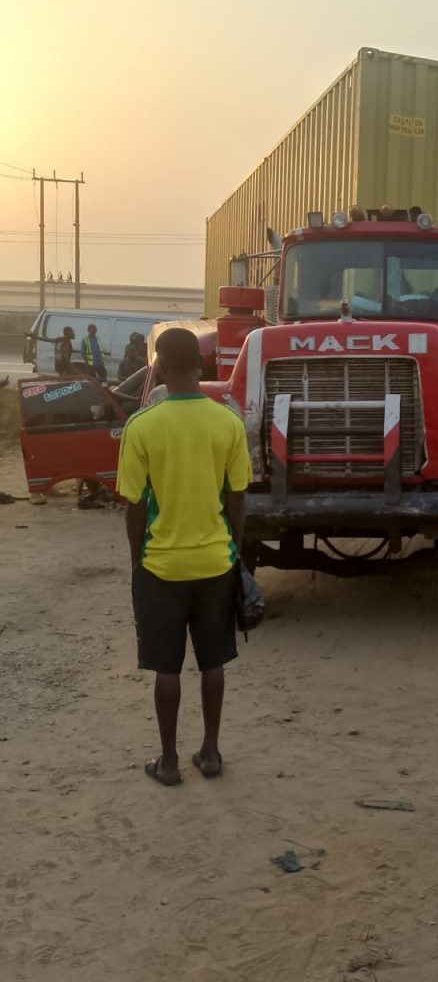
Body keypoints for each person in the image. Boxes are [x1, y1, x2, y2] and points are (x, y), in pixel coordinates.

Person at [116, 328, 252, 786]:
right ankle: (211, 753)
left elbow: (135, 506)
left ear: (159, 368)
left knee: (167, 666)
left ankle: (169, 761)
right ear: (200, 365)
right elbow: (237, 499)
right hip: (215, 562)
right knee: (212, 662)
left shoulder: (142, 427)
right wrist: (234, 549)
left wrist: (139, 560)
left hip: (161, 565)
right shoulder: (227, 424)